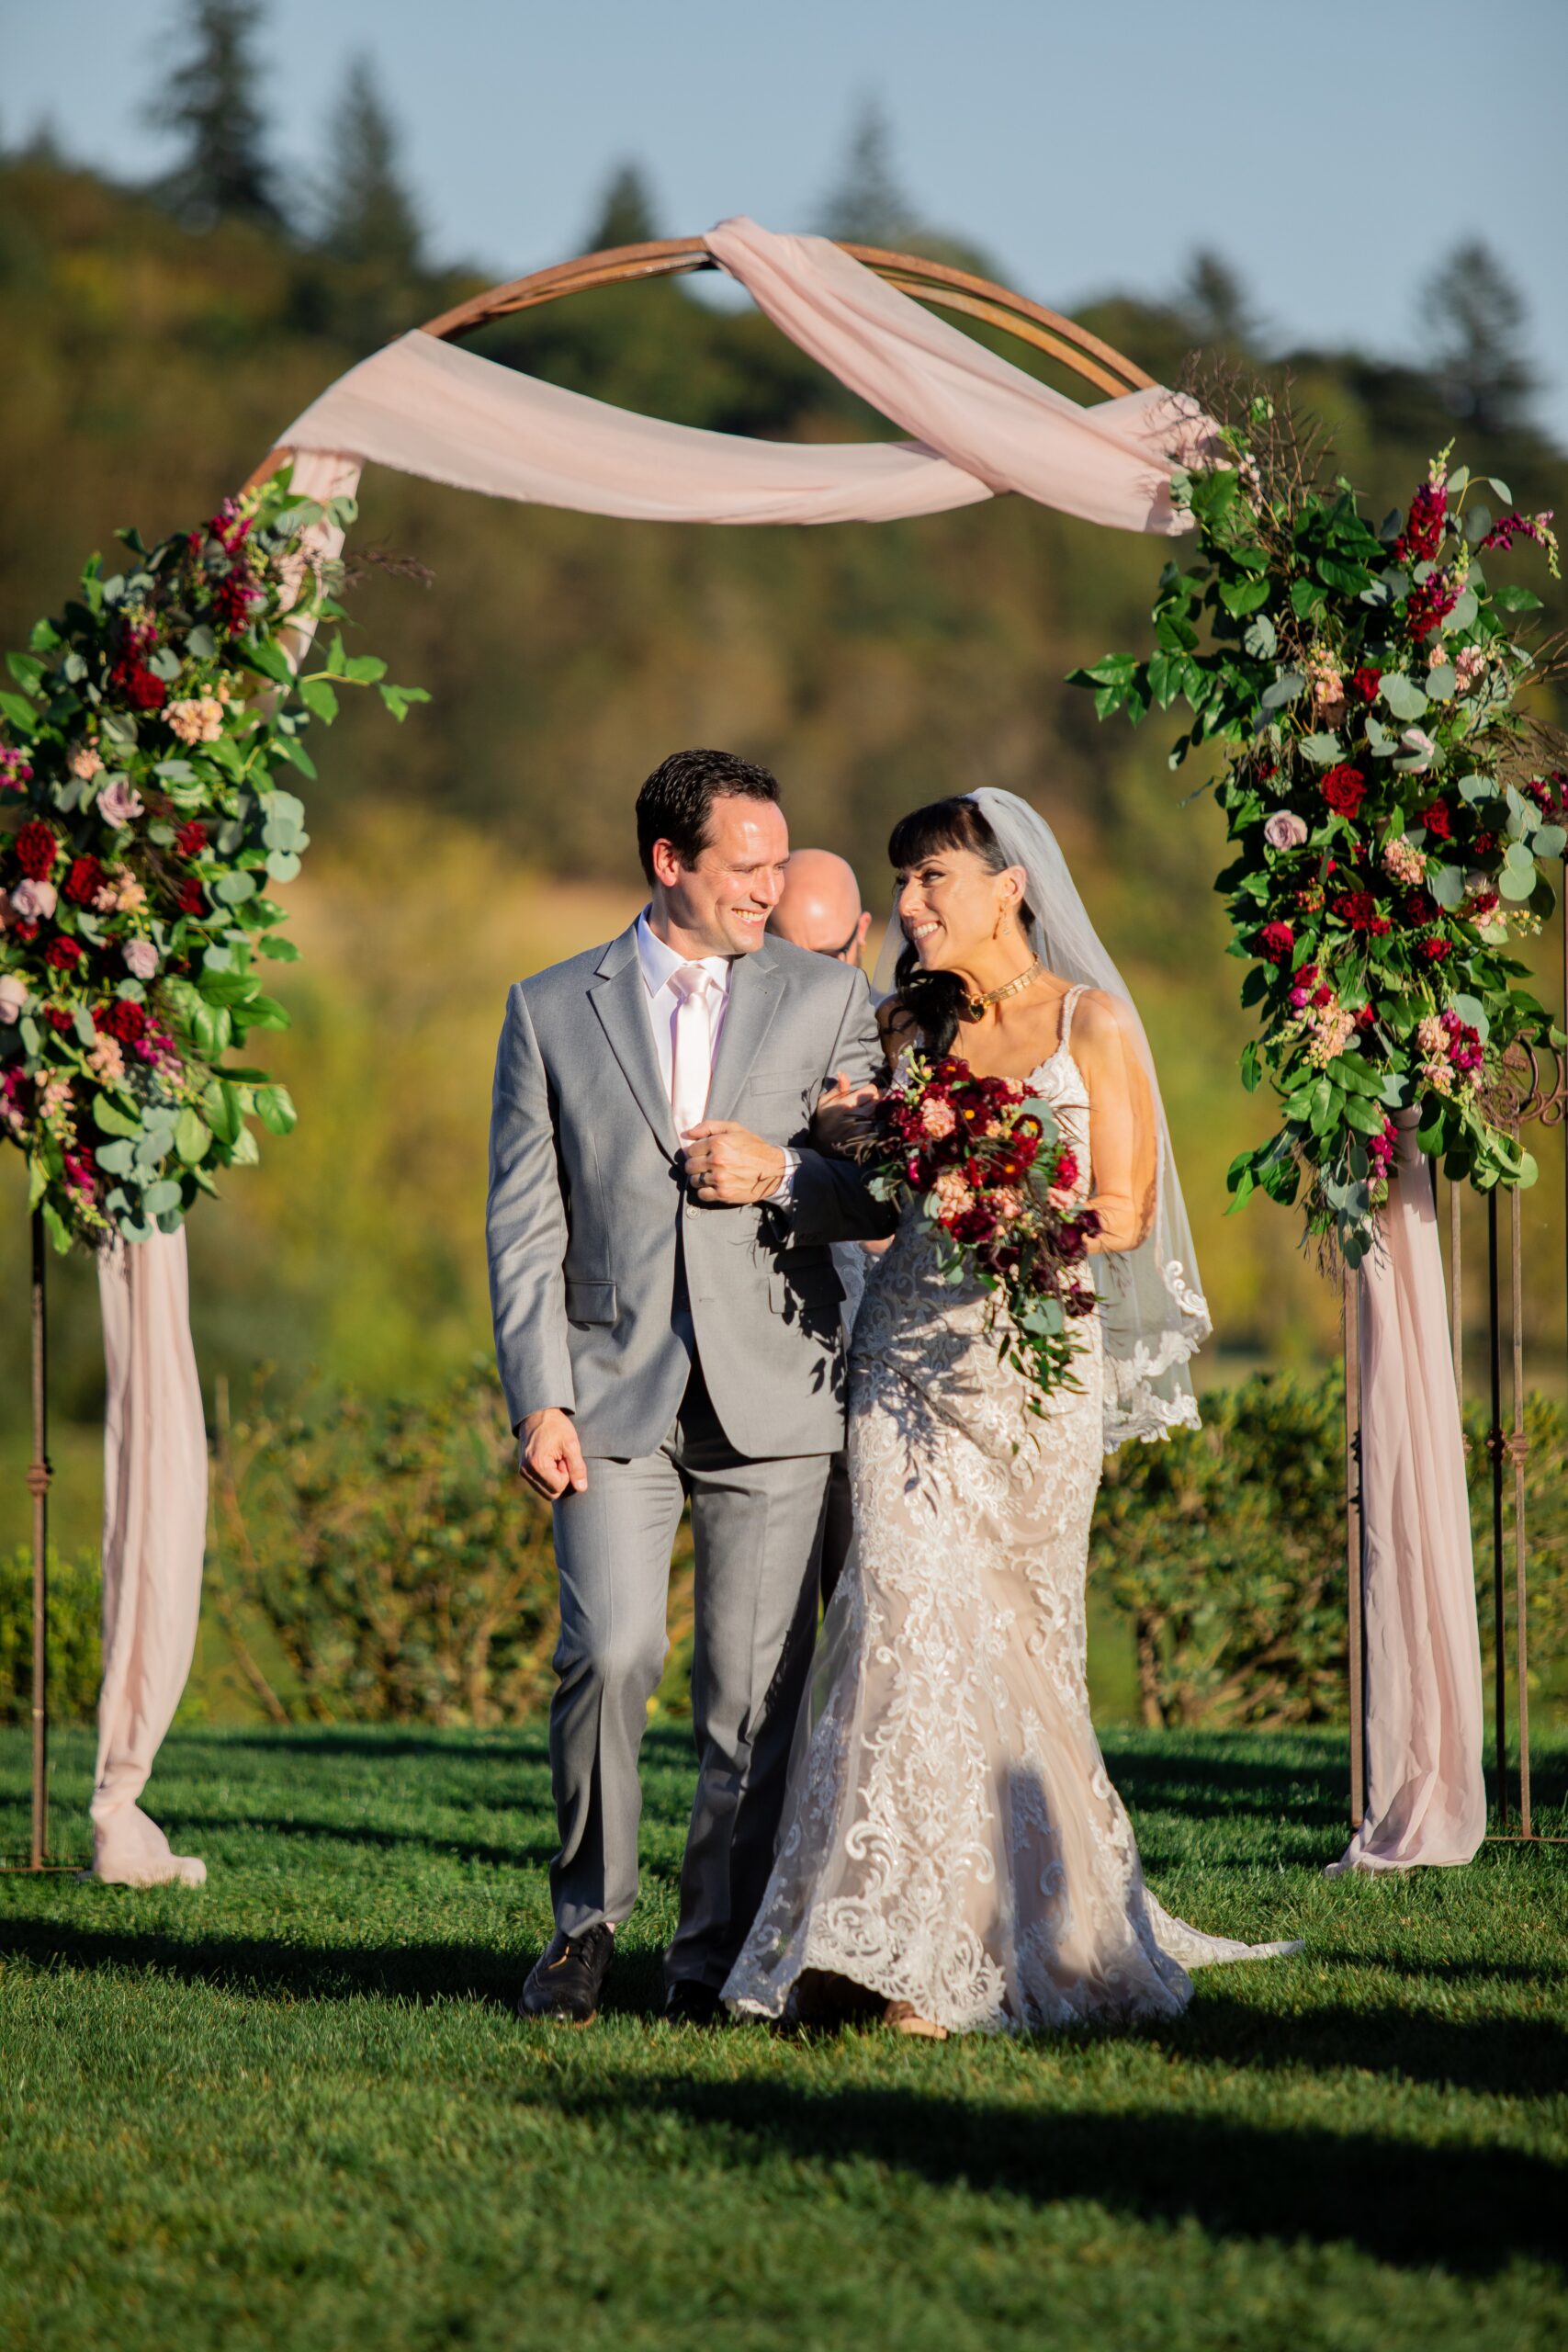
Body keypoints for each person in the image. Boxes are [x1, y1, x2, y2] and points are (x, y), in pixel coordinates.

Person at [724, 789, 1299, 2038]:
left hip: (1034, 1380)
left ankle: (1012, 1932)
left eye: (929, 877)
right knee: (899, 1629)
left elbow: (1127, 1212)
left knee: (1019, 1653)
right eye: (903, 882)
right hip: (907, 1365)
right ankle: (876, 1944)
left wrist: (1006, 1203)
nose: (909, 904)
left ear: (1008, 885)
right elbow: (878, 1194)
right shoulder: (906, 1026)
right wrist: (856, 1136)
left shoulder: (1092, 1022)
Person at [488, 748, 892, 2030]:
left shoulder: (829, 998)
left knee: (749, 1705)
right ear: (669, 861)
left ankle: (711, 1954)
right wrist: (537, 1398)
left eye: (777, 863)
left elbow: (882, 1191)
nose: (771, 887)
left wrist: (781, 1172)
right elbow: (523, 1227)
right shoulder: (548, 1009)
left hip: (777, 1388)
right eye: (747, 865)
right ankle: (584, 1928)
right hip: (605, 1396)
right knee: (607, 1653)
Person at [768, 846, 880, 1607]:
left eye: (832, 957)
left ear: (861, 935)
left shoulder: (906, 1037)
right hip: (783, 1358)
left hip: (886, 1346)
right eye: (791, 955)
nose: (813, 980)